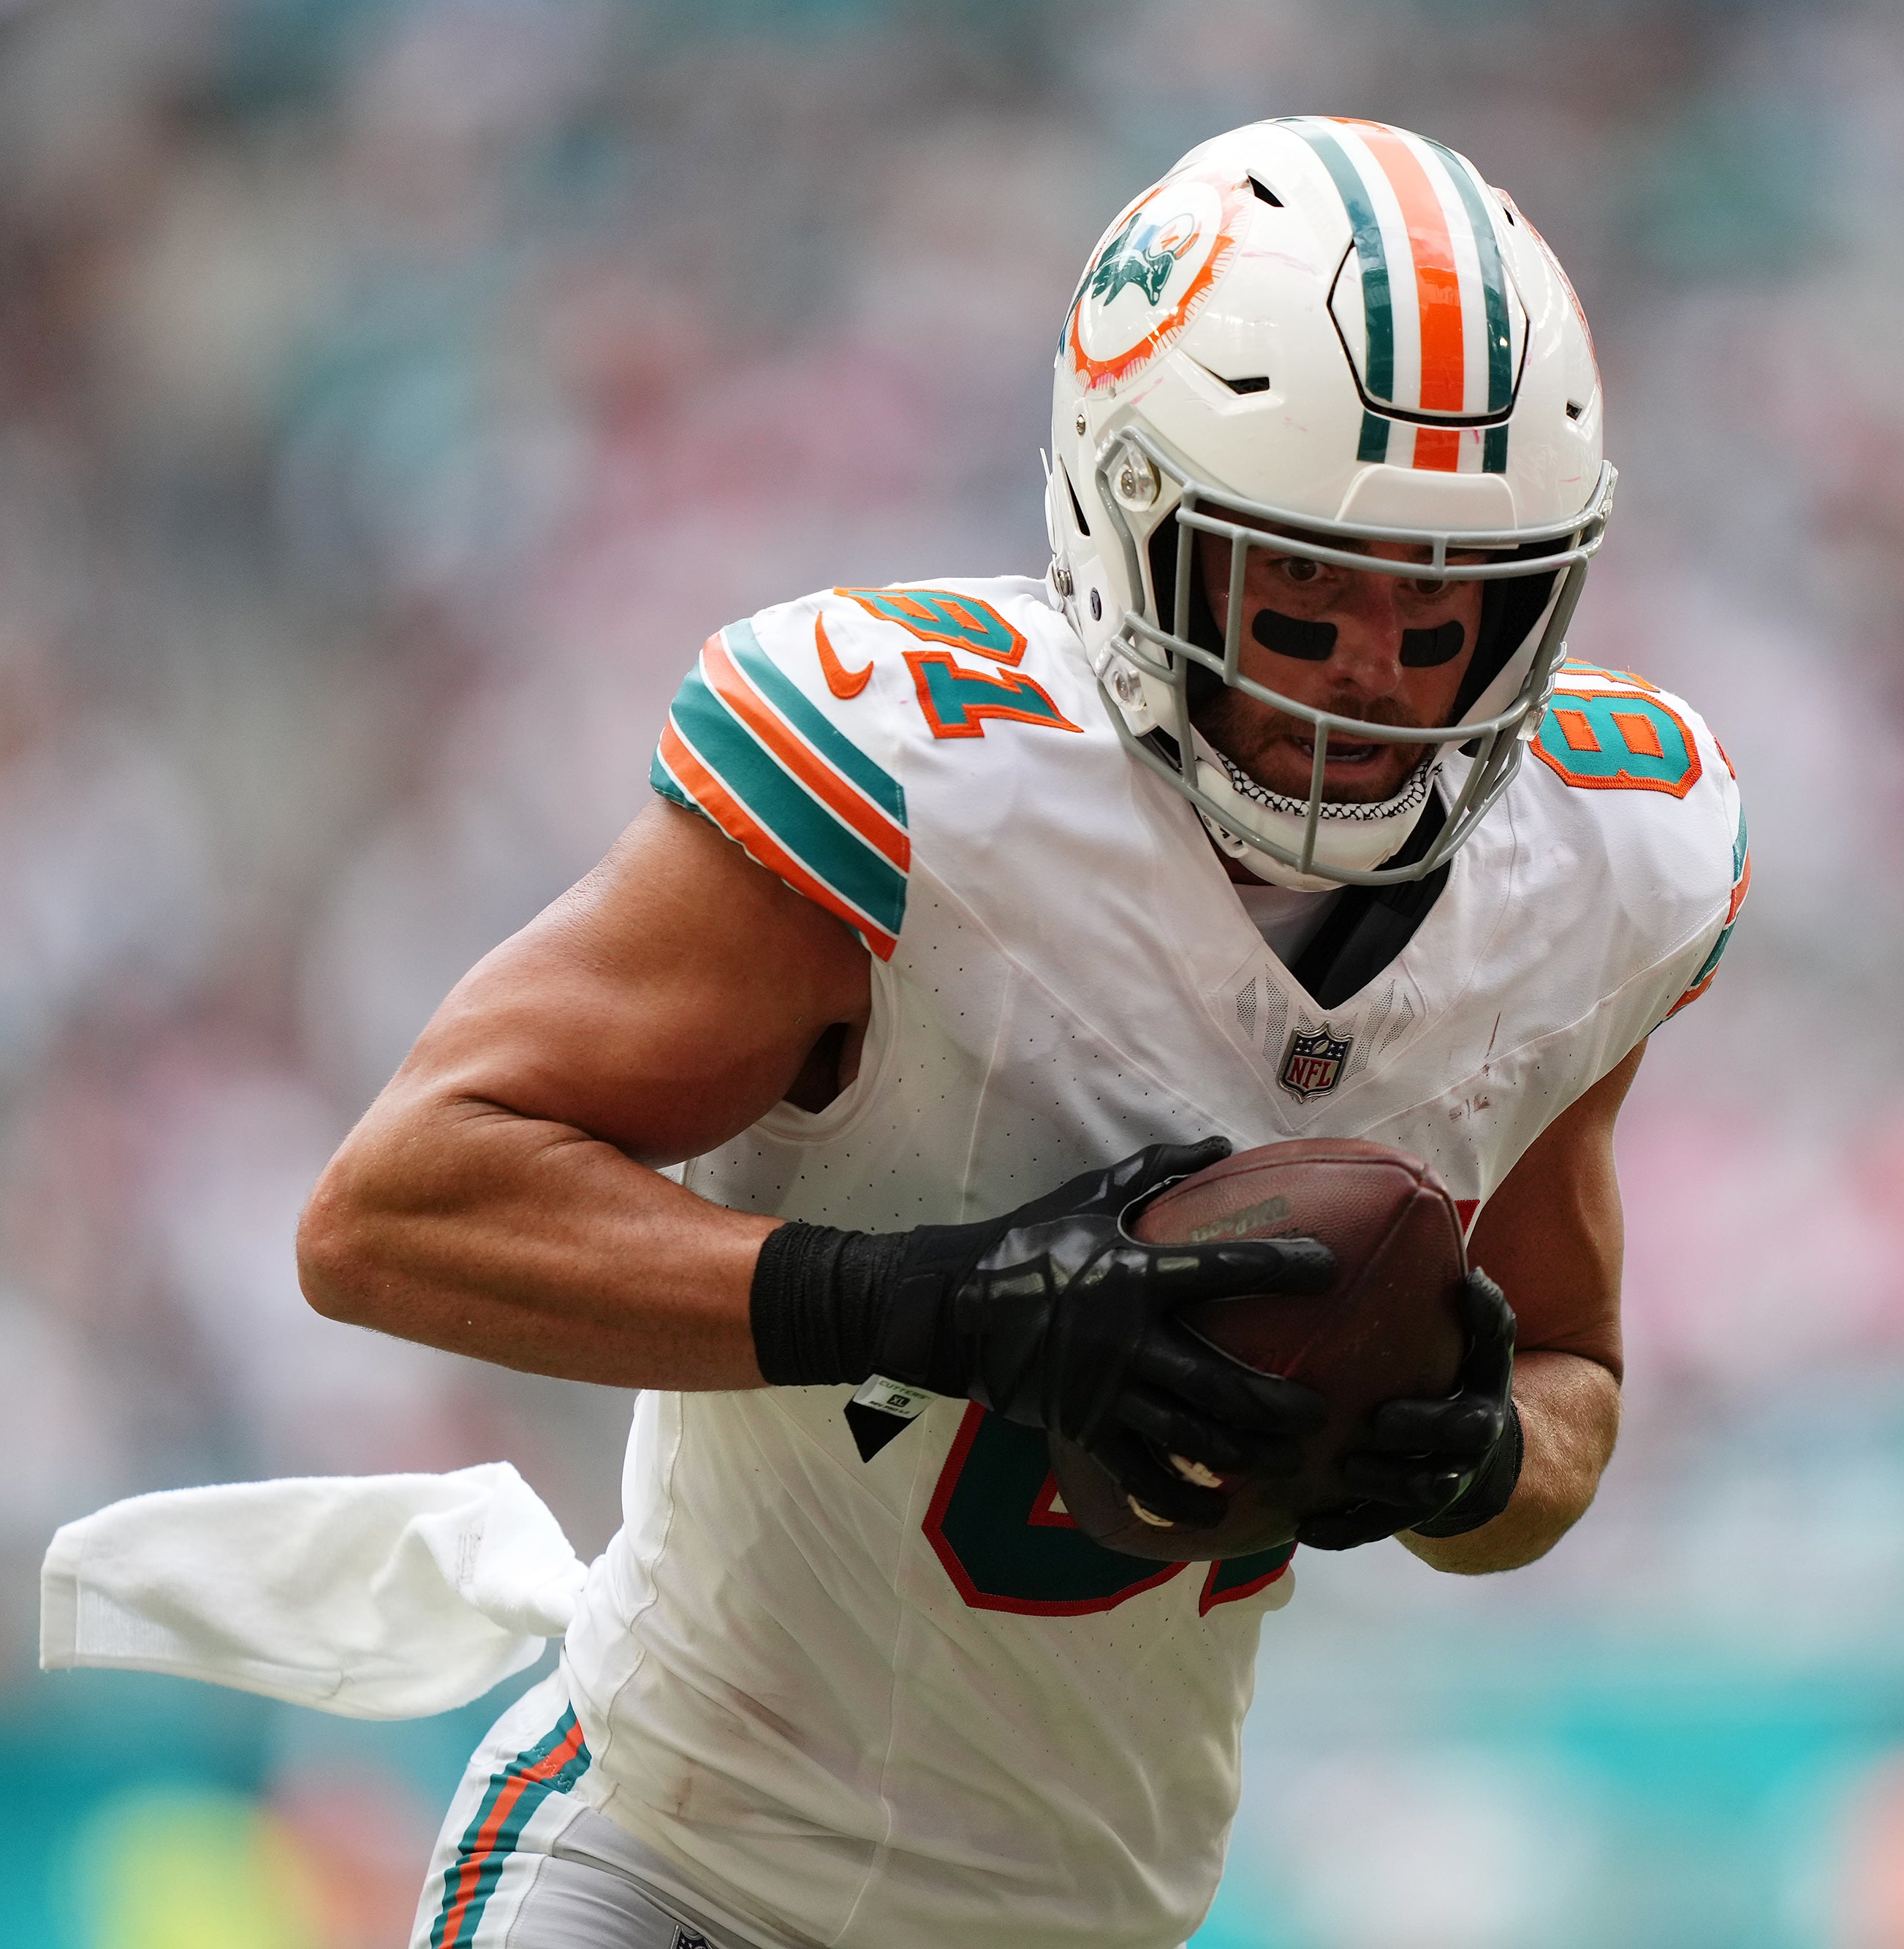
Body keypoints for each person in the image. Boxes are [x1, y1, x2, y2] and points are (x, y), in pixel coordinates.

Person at [288, 115, 1746, 1949]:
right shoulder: (919, 786)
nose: (1377, 672)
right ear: (1130, 524)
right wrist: (928, 1301)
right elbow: (391, 1210)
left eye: (1444, 611)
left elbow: (1571, 1383)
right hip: (665, 1865)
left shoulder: (1600, 866)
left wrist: (1461, 1457)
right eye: (1301, 596)